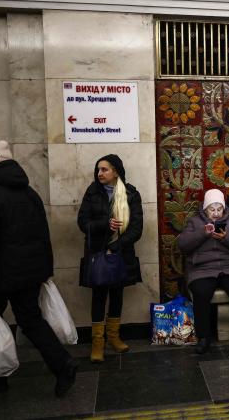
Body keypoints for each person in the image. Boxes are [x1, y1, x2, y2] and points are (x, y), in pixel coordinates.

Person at [0, 140, 77, 397]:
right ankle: (62, 365)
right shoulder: (31, 194)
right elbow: (43, 237)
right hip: (29, 273)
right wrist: (44, 272)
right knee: (30, 320)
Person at [78, 154, 143, 363]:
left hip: (121, 253)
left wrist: (115, 247)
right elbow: (83, 223)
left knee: (117, 295)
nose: (100, 174)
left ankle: (114, 337)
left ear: (116, 171)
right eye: (98, 170)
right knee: (99, 296)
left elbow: (136, 229)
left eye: (104, 169)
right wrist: (105, 225)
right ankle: (98, 343)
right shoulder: (92, 192)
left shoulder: (131, 194)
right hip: (97, 253)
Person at [177, 189, 229, 354]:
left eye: (219, 209)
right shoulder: (195, 222)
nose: (216, 214)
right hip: (202, 268)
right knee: (202, 292)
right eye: (212, 209)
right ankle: (204, 336)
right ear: (205, 209)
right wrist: (203, 233)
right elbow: (183, 245)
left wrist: (226, 237)